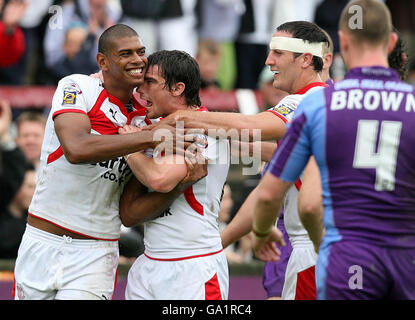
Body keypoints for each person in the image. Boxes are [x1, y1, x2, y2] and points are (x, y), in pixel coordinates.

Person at [12, 24, 202, 300]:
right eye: (126, 53)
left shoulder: (149, 118)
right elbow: (76, 149)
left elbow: (134, 208)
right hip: (42, 240)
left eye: (141, 52)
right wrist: (150, 138)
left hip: (95, 253)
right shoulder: (77, 86)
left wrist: (180, 182)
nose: (138, 60)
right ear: (103, 61)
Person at [145, 20, 330, 300]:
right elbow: (267, 186)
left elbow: (250, 125)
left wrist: (183, 117)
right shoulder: (324, 101)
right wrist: (225, 240)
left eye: (278, 53)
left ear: (306, 59)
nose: (268, 61)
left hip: (313, 246)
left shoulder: (309, 100)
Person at [252, 0, 415, 300]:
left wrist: (262, 233)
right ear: (390, 41)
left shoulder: (319, 106)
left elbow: (285, 198)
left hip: (348, 255)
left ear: (342, 43)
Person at [118, 50, 230, 300]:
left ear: (178, 88)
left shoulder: (205, 129)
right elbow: (129, 214)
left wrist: (129, 146)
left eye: (150, 82)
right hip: (149, 261)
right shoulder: (151, 132)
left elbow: (159, 179)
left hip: (194, 266)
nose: (140, 90)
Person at [0, 163, 35, 259]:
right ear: (15, 186)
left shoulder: (34, 222)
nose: (34, 192)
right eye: (30, 186)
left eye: (36, 187)